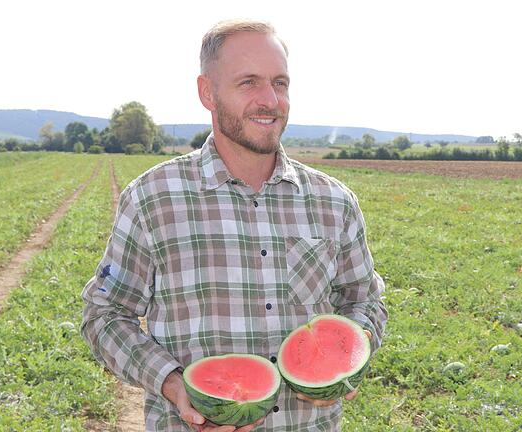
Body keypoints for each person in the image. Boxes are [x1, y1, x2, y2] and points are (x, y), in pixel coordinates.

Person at [81, 19, 387, 432]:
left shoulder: (334, 202)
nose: (270, 100)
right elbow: (105, 314)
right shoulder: (152, 198)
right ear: (208, 92)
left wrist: (350, 353)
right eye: (249, 83)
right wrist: (172, 383)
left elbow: (364, 299)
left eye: (280, 83)